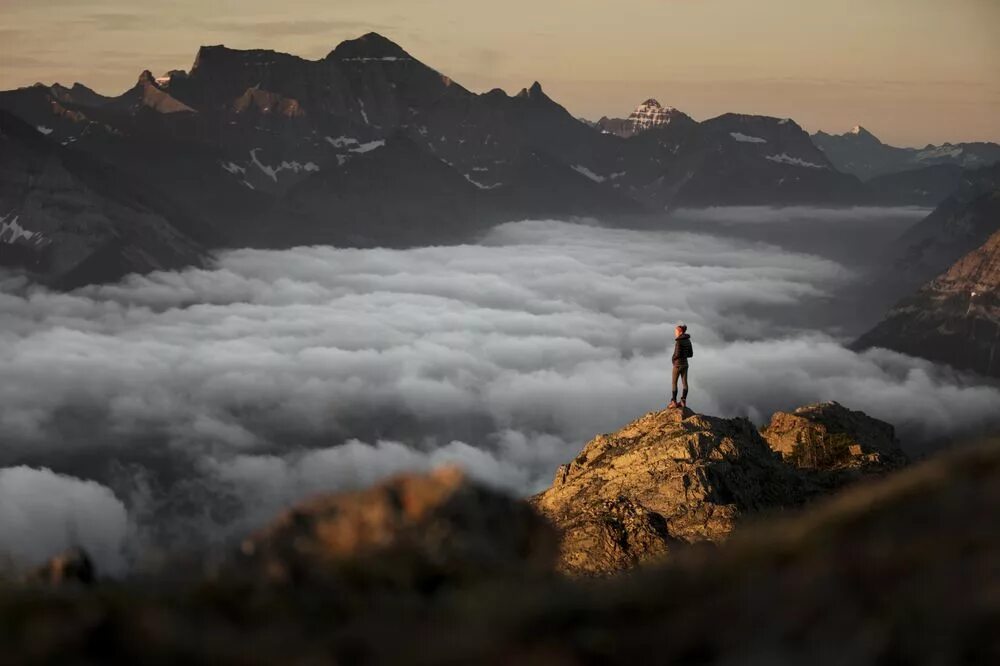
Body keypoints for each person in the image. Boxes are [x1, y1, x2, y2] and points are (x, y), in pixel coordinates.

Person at [668, 324, 693, 409]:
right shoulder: (688, 340)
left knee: (674, 383)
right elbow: (691, 354)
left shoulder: (678, 341)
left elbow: (677, 354)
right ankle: (683, 401)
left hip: (677, 365)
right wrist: (684, 355)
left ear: (680, 332)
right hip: (685, 364)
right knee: (685, 383)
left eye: (676, 331)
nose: (675, 333)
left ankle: (674, 402)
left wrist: (673, 359)